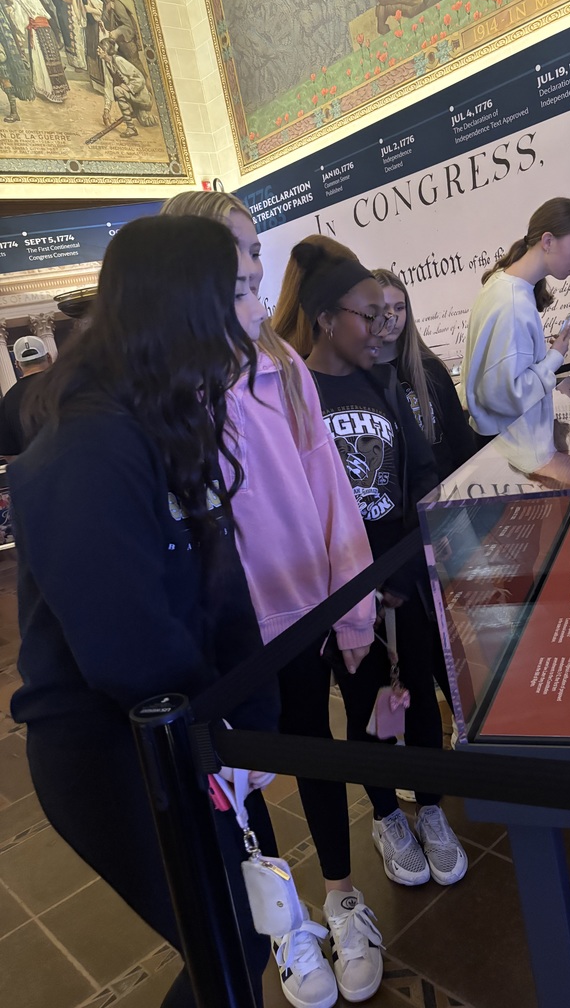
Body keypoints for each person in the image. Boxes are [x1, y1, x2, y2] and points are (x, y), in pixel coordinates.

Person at [9, 215, 281, 1008]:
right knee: (228, 935)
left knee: (237, 936)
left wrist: (245, 710)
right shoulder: (85, 447)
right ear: (182, 307)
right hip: (111, 749)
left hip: (174, 728)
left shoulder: (156, 413)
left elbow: (215, 581)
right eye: (235, 291)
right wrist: (221, 726)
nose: (253, 309)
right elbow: (126, 651)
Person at [161, 192, 383, 1008]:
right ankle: (284, 926)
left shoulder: (282, 365)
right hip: (225, 631)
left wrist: (351, 607)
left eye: (255, 249)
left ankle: (341, 895)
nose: (253, 267)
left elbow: (328, 488)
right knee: (240, 790)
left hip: (301, 613)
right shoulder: (169, 379)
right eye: (232, 254)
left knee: (311, 752)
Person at [283, 240, 468, 892]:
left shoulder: (378, 380)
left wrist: (414, 546)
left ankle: (432, 808)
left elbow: (417, 464)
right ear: (328, 317)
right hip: (342, 587)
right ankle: (388, 814)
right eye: (369, 314)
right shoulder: (291, 392)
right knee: (365, 705)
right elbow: (295, 503)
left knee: (416, 694)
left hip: (400, 570)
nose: (383, 326)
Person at [462, 197, 570, 453]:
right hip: (510, 444)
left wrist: (548, 372)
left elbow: (499, 375)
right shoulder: (513, 301)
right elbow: (507, 395)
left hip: (504, 439)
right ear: (547, 241)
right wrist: (555, 358)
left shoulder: (503, 284)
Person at [372, 268, 477, 481]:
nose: (392, 317)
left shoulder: (431, 369)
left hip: (445, 491)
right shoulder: (359, 378)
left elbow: (461, 441)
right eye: (383, 308)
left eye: (399, 308)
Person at [0, 335, 52, 459]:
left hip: (41, 473)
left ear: (17, 364)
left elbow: (9, 453)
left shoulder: (7, 401)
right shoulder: (69, 385)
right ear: (49, 357)